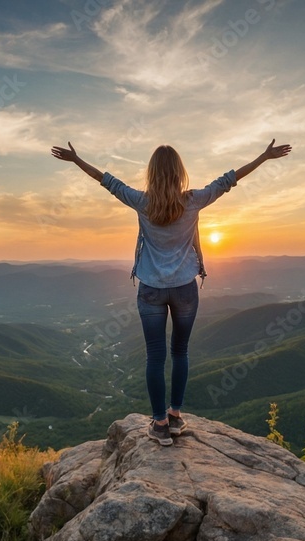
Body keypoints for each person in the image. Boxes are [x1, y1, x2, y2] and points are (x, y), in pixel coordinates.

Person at [50, 139, 292, 445]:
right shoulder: (194, 201)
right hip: (185, 290)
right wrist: (264, 156)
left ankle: (160, 424)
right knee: (180, 352)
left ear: (151, 173)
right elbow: (229, 179)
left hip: (151, 290)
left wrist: (76, 159)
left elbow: (107, 181)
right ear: (180, 173)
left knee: (155, 356)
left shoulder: (142, 201)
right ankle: (175, 416)